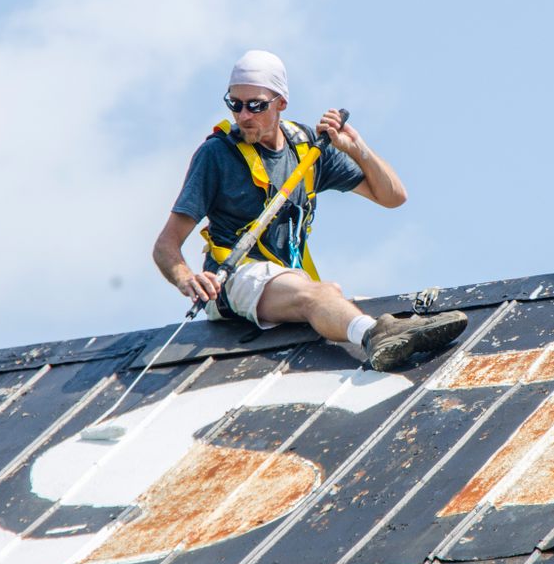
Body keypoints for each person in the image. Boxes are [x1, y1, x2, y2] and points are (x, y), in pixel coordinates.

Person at [153, 49, 467, 371]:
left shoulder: (306, 149)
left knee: (333, 296)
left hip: (288, 279)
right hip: (235, 281)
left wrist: (357, 149)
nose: (244, 115)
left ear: (281, 104)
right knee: (316, 296)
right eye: (235, 104)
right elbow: (166, 246)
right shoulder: (216, 155)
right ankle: (377, 335)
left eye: (256, 106)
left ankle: (382, 333)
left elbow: (394, 196)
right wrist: (186, 279)